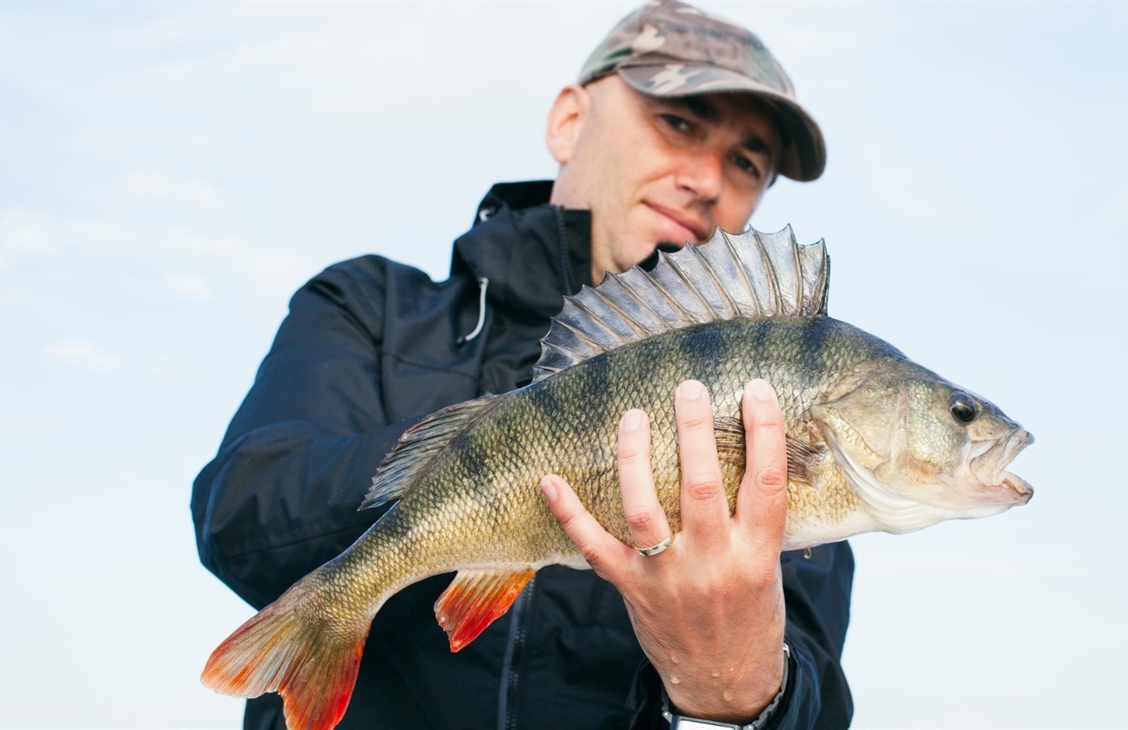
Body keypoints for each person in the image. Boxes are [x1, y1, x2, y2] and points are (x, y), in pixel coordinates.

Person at [192, 2, 854, 728]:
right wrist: (507, 456)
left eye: (747, 162)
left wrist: (733, 690)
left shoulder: (767, 422)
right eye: (680, 122)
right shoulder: (367, 306)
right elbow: (238, 516)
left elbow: (811, 694)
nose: (706, 178)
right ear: (568, 122)